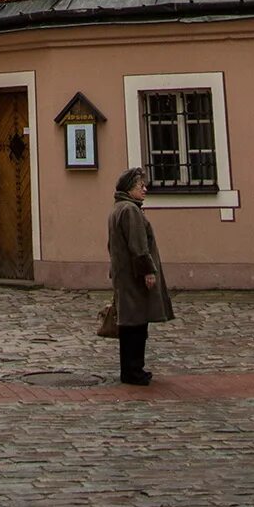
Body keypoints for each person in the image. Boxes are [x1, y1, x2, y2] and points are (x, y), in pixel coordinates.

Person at [106, 165, 173, 386]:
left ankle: (131, 369)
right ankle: (134, 370)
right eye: (139, 185)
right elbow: (138, 245)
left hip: (124, 275)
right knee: (135, 324)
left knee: (129, 323)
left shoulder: (118, 209)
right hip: (133, 277)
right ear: (129, 188)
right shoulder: (130, 211)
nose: (144, 189)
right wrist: (147, 271)